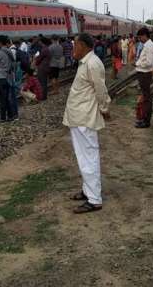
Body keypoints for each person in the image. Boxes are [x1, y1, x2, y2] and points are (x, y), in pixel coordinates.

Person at [63, 33, 111, 214]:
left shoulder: (92, 63)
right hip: (79, 117)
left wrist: (105, 108)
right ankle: (88, 191)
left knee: (88, 157)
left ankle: (94, 199)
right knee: (83, 156)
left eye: (75, 45)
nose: (72, 48)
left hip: (85, 118)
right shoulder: (87, 62)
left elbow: (100, 89)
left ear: (83, 45)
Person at [134, 27, 153, 128]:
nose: (139, 39)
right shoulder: (148, 45)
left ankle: (146, 121)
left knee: (147, 98)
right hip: (144, 73)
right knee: (146, 97)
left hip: (145, 73)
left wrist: (138, 64)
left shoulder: (149, 46)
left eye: (140, 37)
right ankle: (144, 119)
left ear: (144, 35)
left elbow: (149, 62)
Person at [0, 35, 16, 122]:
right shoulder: (9, 51)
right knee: (7, 98)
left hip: (1, 77)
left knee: (2, 99)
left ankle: (2, 118)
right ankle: (11, 116)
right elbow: (13, 64)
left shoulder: (0, 53)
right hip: (8, 77)